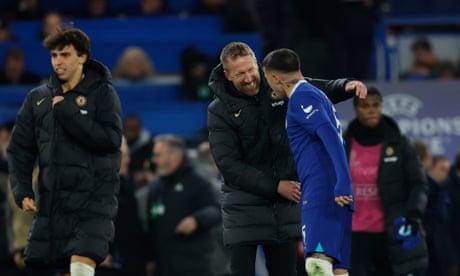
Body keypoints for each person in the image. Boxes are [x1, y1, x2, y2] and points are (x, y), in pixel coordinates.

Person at [207, 41, 367, 276]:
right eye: (240, 73)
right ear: (227, 75)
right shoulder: (218, 110)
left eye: (251, 69)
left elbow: (310, 88)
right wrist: (276, 187)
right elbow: (228, 165)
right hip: (244, 207)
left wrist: (345, 86)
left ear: (259, 65)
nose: (249, 77)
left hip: (285, 208)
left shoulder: (277, 86)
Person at [6, 26, 123, 276]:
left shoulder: (103, 94)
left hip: (93, 200)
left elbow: (111, 139)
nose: (58, 61)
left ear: (83, 57)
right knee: (62, 269)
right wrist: (22, 189)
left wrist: (68, 113)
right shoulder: (37, 99)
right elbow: (19, 148)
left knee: (81, 266)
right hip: (52, 202)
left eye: (65, 54)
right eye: (54, 55)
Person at [262, 48, 354, 276]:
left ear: (276, 78)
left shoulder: (301, 97)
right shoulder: (317, 94)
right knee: (337, 270)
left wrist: (343, 181)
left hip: (322, 187)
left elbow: (330, 135)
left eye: (267, 80)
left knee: (317, 264)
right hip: (333, 187)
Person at [343, 87, 429, 275]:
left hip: (391, 229)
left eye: (376, 105)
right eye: (365, 106)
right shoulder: (345, 144)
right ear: (356, 109)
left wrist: (413, 214)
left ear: (381, 107)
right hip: (354, 231)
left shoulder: (398, 143)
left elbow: (418, 183)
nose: (371, 110)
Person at [146, 134, 221, 276]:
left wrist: (197, 220)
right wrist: (151, 258)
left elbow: (217, 210)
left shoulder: (197, 179)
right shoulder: (157, 186)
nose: (153, 160)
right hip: (164, 266)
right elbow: (152, 225)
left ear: (174, 156)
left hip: (194, 266)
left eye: (158, 155)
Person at [412, 140, 458, 276]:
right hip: (421, 254)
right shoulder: (434, 191)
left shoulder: (438, 193)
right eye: (443, 169)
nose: (447, 174)